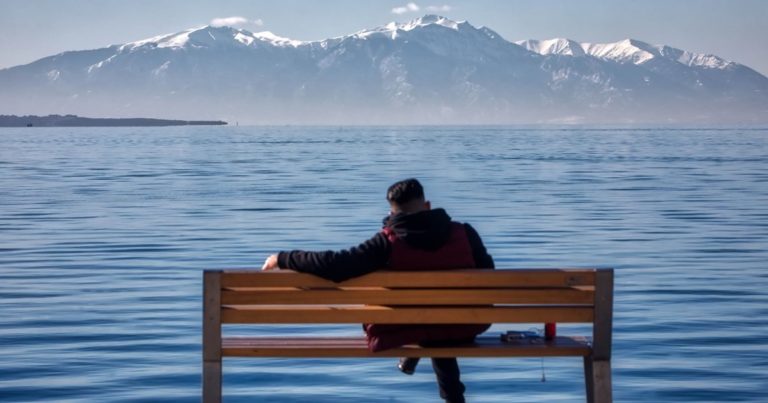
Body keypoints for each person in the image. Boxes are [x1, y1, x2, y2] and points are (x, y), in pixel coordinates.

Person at [262, 178, 494, 403]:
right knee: (437, 320)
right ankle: (451, 395)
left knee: (423, 322)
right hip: (464, 324)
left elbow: (336, 265)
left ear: (393, 213)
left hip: (403, 326)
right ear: (427, 206)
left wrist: (283, 258)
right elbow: (488, 275)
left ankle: (420, 359)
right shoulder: (465, 233)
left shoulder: (386, 242)